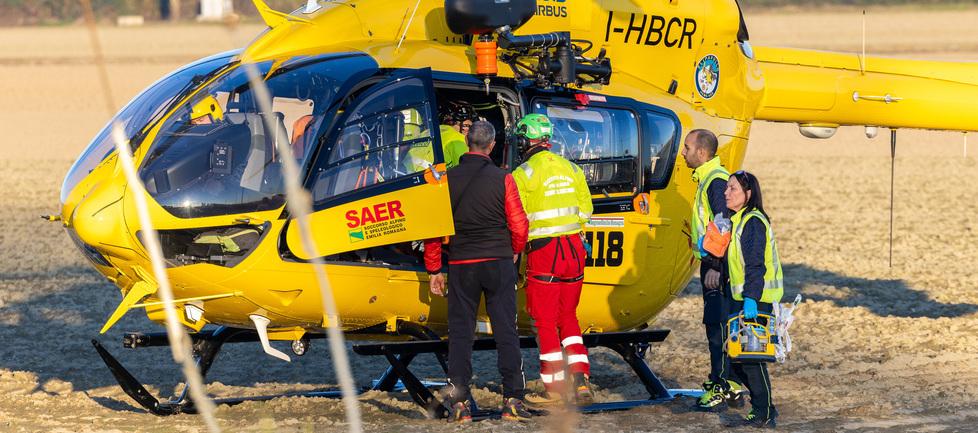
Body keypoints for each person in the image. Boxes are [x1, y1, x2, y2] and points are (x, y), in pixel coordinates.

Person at [424, 121, 532, 423]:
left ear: (467, 142)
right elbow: (520, 224)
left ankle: (459, 405)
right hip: (497, 263)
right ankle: (512, 399)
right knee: (506, 331)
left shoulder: (446, 180)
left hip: (461, 265)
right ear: (492, 145)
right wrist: (513, 250)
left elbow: (434, 228)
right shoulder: (504, 178)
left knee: (460, 334)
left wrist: (435, 268)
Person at [511, 113, 595, 407]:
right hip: (573, 249)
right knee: (569, 317)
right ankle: (581, 380)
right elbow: (586, 211)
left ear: (526, 140)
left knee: (545, 321)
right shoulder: (572, 168)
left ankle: (555, 387)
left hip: (544, 253)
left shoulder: (522, 174)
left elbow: (517, 221)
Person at [681, 129, 746, 410]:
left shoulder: (714, 180)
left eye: (687, 148)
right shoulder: (709, 179)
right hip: (711, 262)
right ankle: (727, 384)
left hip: (716, 267)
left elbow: (724, 224)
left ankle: (721, 386)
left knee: (717, 327)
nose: (683, 153)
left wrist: (715, 266)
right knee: (718, 325)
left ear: (702, 153)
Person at [724, 170, 783, 428]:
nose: (726, 193)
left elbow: (756, 266)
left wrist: (750, 299)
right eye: (727, 188)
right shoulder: (737, 220)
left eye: (733, 189)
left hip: (756, 299)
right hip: (741, 298)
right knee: (737, 358)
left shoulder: (753, 223)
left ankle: (764, 411)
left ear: (748, 195)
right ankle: (762, 405)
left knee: (752, 360)